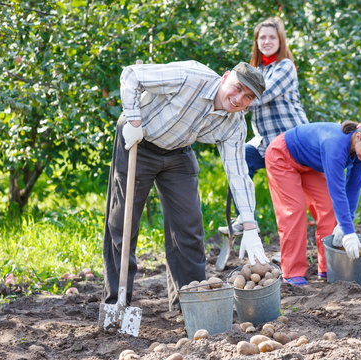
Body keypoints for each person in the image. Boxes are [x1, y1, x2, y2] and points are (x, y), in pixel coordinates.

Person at [102, 60, 269, 312]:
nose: (238, 99)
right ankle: (117, 301)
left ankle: (188, 304)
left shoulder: (235, 124)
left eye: (248, 97)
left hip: (179, 151)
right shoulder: (190, 76)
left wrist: (249, 226)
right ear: (225, 77)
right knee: (123, 225)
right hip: (138, 141)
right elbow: (131, 74)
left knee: (189, 227)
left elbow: (238, 174)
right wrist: (134, 121)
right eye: (237, 88)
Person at [265, 120, 361, 285]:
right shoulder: (336, 145)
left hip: (310, 165)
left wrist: (346, 224)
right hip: (283, 156)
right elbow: (337, 192)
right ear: (358, 137)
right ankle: (292, 272)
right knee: (294, 211)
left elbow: (353, 188)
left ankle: (330, 267)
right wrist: (349, 232)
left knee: (329, 210)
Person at [218, 16, 309, 235]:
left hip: (292, 140)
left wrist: (231, 100)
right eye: (262, 37)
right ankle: (245, 218)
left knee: (298, 197)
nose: (266, 41)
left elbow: (263, 95)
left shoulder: (285, 66)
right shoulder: (255, 70)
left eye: (272, 37)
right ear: (256, 42)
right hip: (266, 143)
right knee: (239, 159)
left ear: (280, 41)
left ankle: (298, 242)